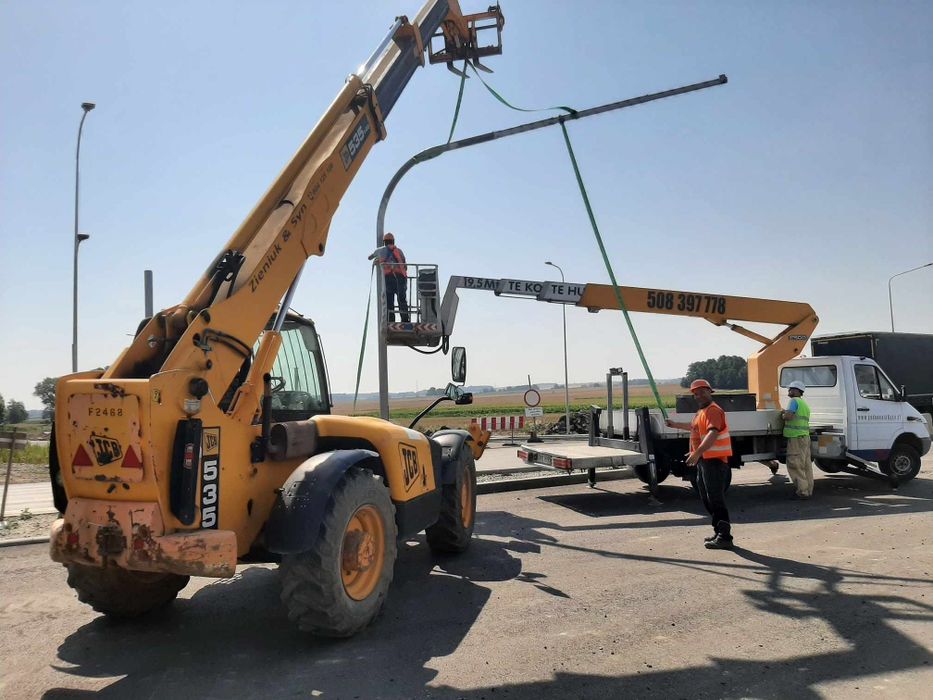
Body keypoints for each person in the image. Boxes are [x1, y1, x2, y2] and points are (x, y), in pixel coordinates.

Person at [665, 379, 735, 550]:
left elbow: (712, 434)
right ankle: (719, 531)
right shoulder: (701, 412)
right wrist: (675, 425)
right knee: (707, 498)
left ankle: (725, 536)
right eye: (696, 393)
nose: (699, 395)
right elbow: (694, 428)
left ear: (710, 391)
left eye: (702, 391)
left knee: (715, 499)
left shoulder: (713, 410)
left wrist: (697, 453)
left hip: (715, 462)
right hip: (706, 461)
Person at [368, 232, 410, 322]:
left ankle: (391, 321)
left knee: (389, 301)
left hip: (389, 278)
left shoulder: (380, 250)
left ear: (384, 242)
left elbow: (369, 257)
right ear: (393, 241)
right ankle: (405, 320)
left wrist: (378, 260)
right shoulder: (399, 251)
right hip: (401, 278)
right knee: (402, 299)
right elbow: (405, 266)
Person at [782, 380, 813, 499]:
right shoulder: (803, 403)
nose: (789, 391)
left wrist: (783, 415)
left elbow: (789, 416)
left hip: (795, 438)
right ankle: (808, 489)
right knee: (806, 465)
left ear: (797, 391)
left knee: (795, 464)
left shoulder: (793, 401)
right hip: (804, 437)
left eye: (791, 389)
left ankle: (802, 491)